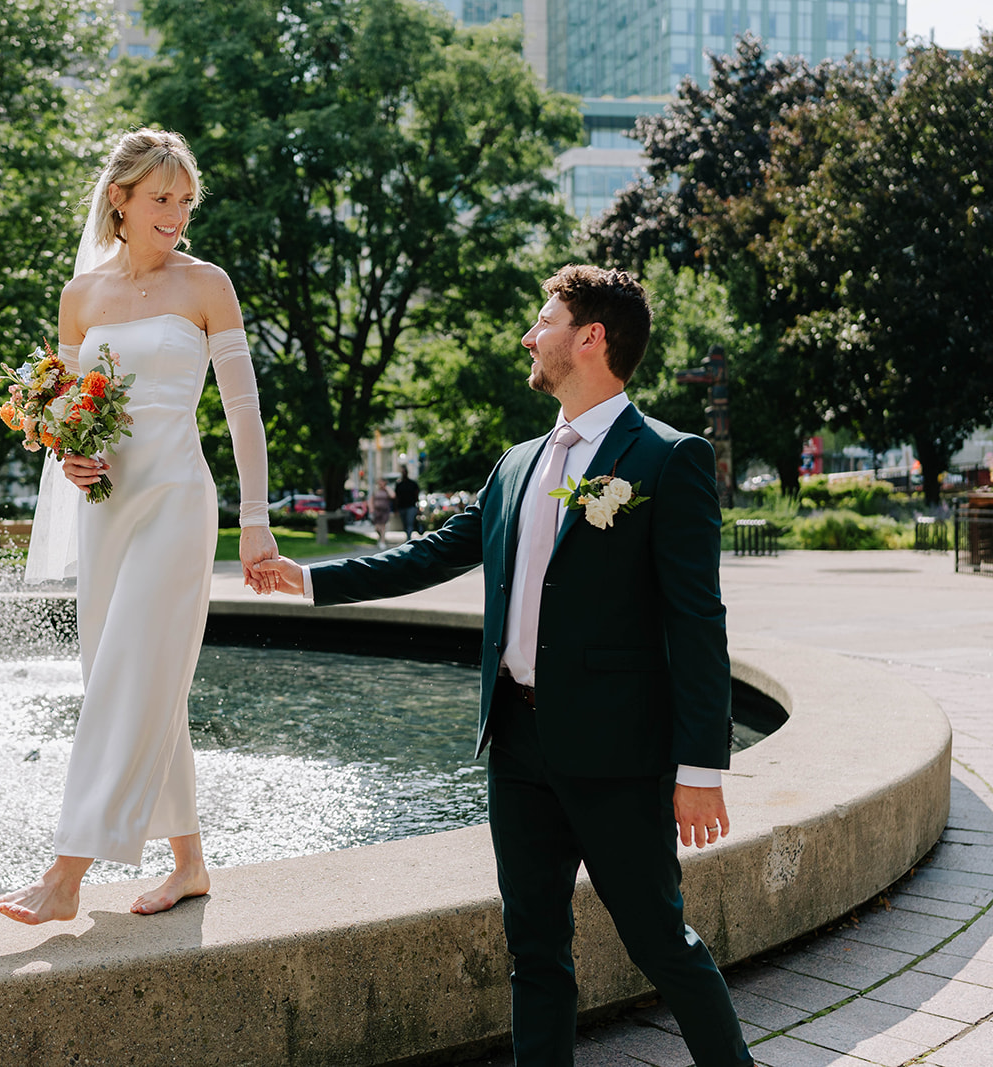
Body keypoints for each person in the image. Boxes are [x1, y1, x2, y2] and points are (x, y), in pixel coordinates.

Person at [255, 265, 751, 1067]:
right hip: (516, 746)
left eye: (544, 319)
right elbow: (431, 553)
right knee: (535, 952)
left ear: (590, 338)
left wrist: (701, 763)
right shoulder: (517, 462)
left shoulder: (668, 459)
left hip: (619, 754)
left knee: (662, 943)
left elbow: (699, 622)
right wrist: (309, 580)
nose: (529, 334)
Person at [0, 129, 279, 925]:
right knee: (143, 679)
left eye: (186, 201)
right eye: (162, 199)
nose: (177, 215)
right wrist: (68, 458)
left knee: (128, 675)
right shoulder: (80, 298)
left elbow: (244, 411)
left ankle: (64, 873)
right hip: (106, 510)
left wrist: (256, 520)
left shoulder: (207, 284)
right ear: (119, 198)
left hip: (178, 501)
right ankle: (191, 863)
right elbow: (72, 415)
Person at [394, 465, 420, 539]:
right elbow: (396, 497)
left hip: (411, 506)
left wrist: (418, 507)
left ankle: (409, 538)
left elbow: (416, 496)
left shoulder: (413, 484)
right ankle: (408, 536)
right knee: (405, 524)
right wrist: (396, 509)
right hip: (402, 506)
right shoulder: (399, 484)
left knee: (409, 523)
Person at [370, 480, 393, 548]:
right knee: (377, 527)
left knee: (383, 526)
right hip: (377, 511)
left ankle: (382, 542)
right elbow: (371, 499)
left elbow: (393, 496)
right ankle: (381, 537)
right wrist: (371, 508)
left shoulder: (387, 490)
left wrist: (387, 488)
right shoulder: (376, 490)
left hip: (385, 510)